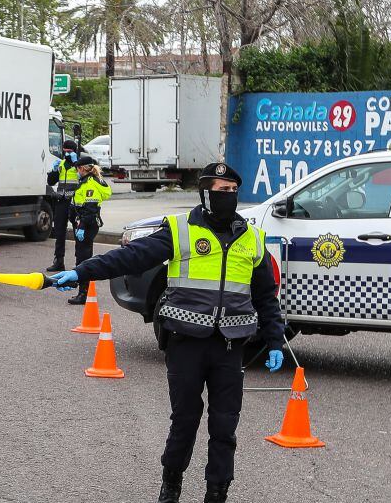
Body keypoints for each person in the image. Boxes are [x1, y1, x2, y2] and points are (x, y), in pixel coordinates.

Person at [48, 162, 285, 503]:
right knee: (185, 421)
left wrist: (275, 338)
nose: (228, 197)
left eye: (232, 191)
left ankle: (217, 493)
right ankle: (171, 485)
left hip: (230, 347)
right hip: (186, 342)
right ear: (205, 193)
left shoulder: (252, 239)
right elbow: (131, 257)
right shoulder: (180, 230)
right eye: (221, 191)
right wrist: (81, 272)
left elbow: (265, 295)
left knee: (225, 427)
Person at [65, 155, 112, 305]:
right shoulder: (85, 181)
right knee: (81, 255)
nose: (76, 171)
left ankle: (84, 293)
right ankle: (81, 285)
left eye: (77, 169)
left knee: (83, 258)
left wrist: (82, 226)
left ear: (82, 169)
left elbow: (90, 209)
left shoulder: (90, 184)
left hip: (87, 224)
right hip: (83, 223)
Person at [46, 139, 81, 272]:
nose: (67, 154)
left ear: (75, 152)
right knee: (59, 232)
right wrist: (54, 170)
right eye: (65, 151)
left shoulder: (79, 165)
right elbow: (50, 181)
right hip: (61, 202)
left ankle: (79, 262)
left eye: (69, 151)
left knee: (78, 233)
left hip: (75, 203)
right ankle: (58, 261)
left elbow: (84, 178)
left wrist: (76, 163)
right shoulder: (60, 164)